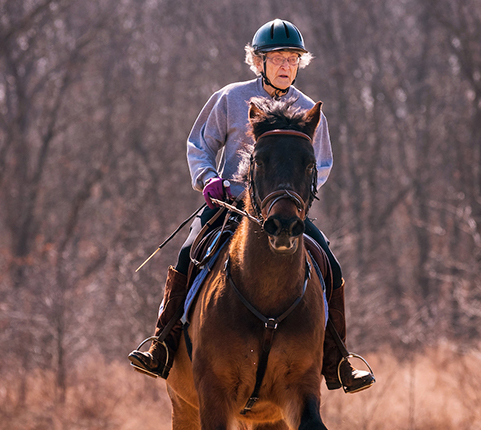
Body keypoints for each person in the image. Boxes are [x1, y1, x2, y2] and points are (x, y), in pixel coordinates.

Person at [128, 18, 374, 393]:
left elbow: (320, 164)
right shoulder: (229, 98)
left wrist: (296, 198)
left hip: (284, 210)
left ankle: (337, 360)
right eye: (277, 58)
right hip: (229, 205)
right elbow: (200, 145)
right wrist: (208, 179)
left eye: (293, 59)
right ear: (258, 62)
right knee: (187, 253)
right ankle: (162, 343)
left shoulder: (309, 110)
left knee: (330, 262)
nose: (285, 66)